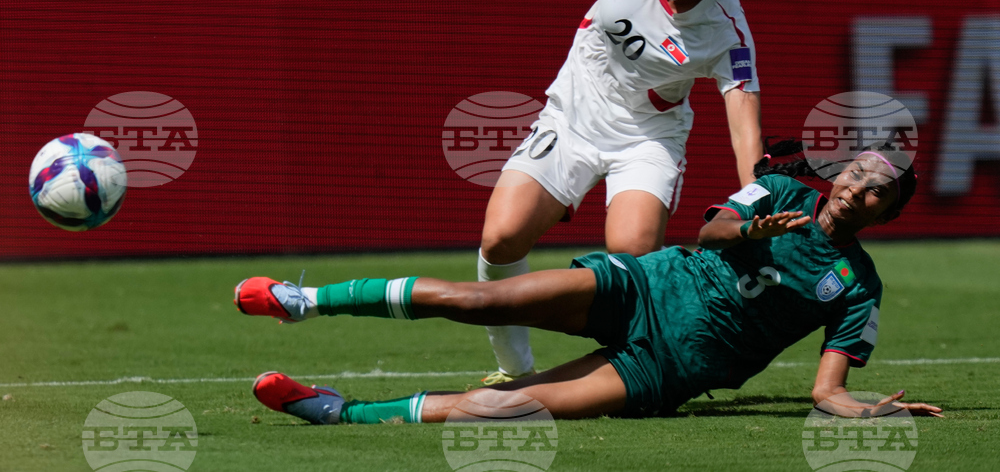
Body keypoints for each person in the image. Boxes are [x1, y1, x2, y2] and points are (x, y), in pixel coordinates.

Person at [234, 143, 942, 424]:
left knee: (505, 408)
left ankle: (335, 411)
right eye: (856, 173)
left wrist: (876, 413)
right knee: (474, 297)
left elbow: (827, 391)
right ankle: (304, 302)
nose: (858, 189)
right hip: (643, 286)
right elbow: (710, 234)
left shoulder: (858, 288)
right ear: (838, 175)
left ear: (890, 211)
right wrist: (754, 232)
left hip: (668, 366)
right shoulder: (781, 187)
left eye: (878, 191)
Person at [442, 0, 766, 384]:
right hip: (572, 117)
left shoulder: (726, 31)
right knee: (501, 239)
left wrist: (753, 202)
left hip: (646, 139)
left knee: (631, 256)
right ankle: (513, 369)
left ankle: (634, 366)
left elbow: (743, 120)